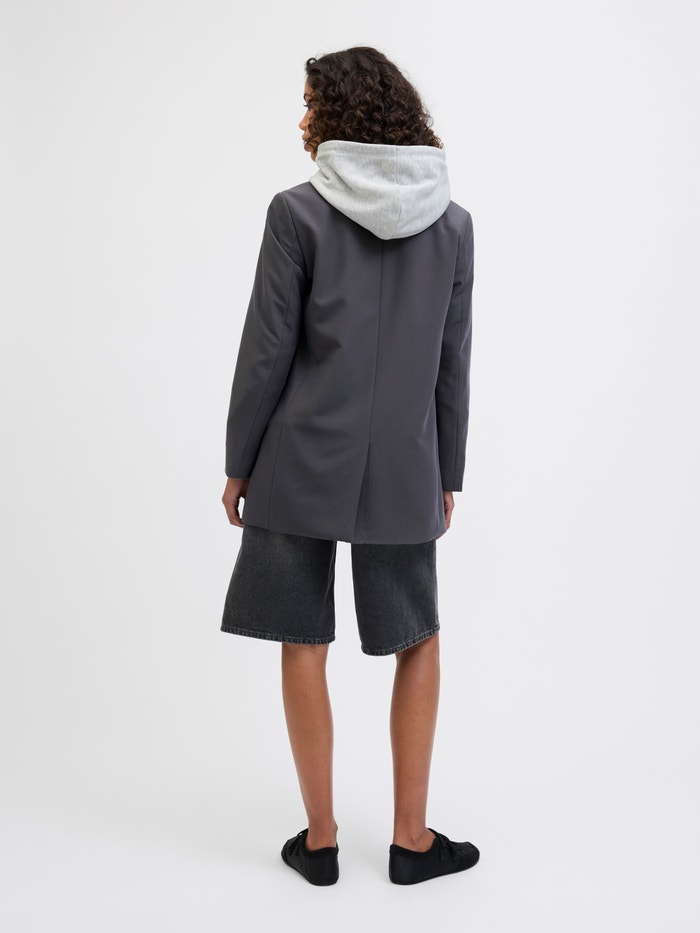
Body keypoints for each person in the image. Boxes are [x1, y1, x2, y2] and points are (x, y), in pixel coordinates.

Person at [220, 46, 478, 886]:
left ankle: (321, 840)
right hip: (406, 462)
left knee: (303, 634)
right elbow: (451, 363)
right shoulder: (453, 225)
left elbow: (266, 352)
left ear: (341, 113)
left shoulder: (297, 213)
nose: (303, 119)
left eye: (310, 104)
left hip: (297, 460)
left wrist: (239, 460)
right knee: (418, 634)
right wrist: (448, 469)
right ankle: (412, 840)